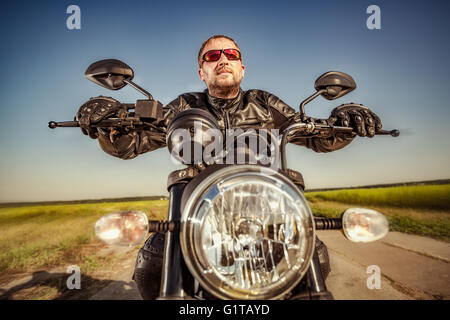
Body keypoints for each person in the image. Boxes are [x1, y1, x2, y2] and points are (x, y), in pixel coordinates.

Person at [76, 35, 382, 299]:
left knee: (311, 250)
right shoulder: (185, 105)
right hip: (199, 211)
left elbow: (315, 135)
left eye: (231, 55)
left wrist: (344, 118)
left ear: (241, 67)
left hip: (266, 210)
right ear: (202, 71)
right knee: (155, 256)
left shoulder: (264, 103)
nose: (223, 59)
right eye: (212, 56)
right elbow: (132, 143)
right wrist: (110, 125)